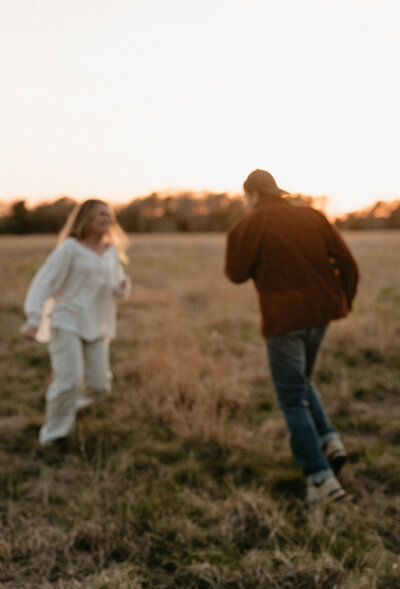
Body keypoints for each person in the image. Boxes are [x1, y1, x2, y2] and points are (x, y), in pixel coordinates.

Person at [225, 169, 359, 505]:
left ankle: (319, 479)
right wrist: (343, 302)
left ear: (253, 193)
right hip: (322, 313)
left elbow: (236, 274)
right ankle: (329, 440)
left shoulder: (250, 223)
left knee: (290, 398)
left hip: (284, 320)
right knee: (302, 380)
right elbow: (348, 263)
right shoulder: (312, 216)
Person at [21, 199, 130, 450]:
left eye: (109, 215)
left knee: (100, 386)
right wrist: (34, 318)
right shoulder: (70, 248)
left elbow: (119, 285)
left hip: (97, 324)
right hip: (66, 320)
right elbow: (44, 282)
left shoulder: (111, 251)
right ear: (86, 218)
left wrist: (123, 287)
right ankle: (51, 437)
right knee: (68, 381)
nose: (107, 219)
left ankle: (71, 406)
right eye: (101, 214)